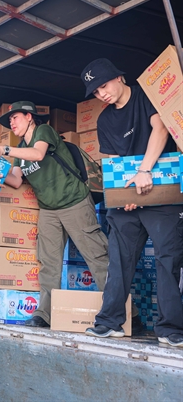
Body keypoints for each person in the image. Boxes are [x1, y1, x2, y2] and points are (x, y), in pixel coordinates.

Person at [80, 58, 183, 347]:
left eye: (103, 86)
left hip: (161, 193)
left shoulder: (146, 96)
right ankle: (110, 322)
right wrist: (121, 196)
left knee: (167, 259)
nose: (102, 94)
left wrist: (144, 171)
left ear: (119, 77)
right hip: (127, 196)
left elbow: (161, 130)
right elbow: (112, 163)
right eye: (96, 92)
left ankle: (169, 328)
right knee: (119, 260)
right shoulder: (104, 120)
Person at [0, 101, 110, 328]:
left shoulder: (43, 132)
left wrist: (3, 149)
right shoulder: (20, 152)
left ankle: (120, 312)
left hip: (75, 201)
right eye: (9, 121)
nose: (11, 123)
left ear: (29, 116)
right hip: (49, 210)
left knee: (97, 257)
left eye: (15, 117)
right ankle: (45, 313)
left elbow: (39, 154)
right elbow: (15, 180)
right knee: (48, 263)